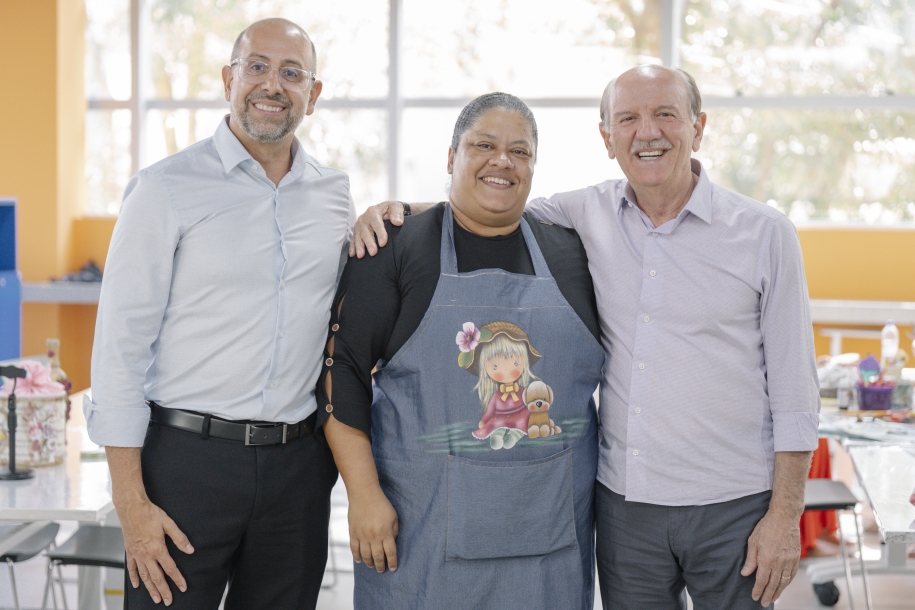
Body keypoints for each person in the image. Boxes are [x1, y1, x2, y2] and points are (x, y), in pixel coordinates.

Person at [353, 66, 820, 609]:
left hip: (733, 503)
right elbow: (486, 204)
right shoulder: (583, 214)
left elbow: (795, 392)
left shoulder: (765, 234)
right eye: (628, 118)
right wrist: (395, 213)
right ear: (607, 138)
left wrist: (785, 516)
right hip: (626, 508)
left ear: (699, 128)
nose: (647, 132)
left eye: (665, 114)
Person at [84, 18, 354, 609]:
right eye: (257, 66)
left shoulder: (334, 195)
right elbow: (119, 351)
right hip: (184, 468)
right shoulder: (164, 189)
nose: (272, 85)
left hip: (297, 471)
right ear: (229, 80)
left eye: (291, 73)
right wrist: (130, 503)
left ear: (312, 95)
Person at [319, 92, 604, 609]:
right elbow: (343, 372)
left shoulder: (574, 254)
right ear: (452, 157)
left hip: (550, 547)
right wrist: (362, 495)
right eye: (484, 145)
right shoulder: (395, 248)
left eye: (520, 151)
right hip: (420, 539)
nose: (503, 161)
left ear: (534, 167)